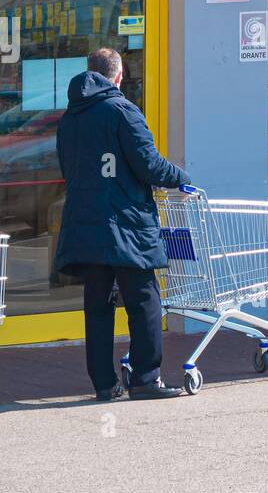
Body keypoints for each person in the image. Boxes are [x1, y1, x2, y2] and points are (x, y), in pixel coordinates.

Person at [54, 48, 193, 401]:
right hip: (126, 223)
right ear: (117, 77)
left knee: (98, 306)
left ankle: (104, 384)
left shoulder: (70, 118)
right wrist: (180, 177)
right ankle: (146, 379)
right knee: (143, 299)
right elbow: (147, 163)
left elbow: (67, 168)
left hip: (86, 223)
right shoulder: (122, 111)